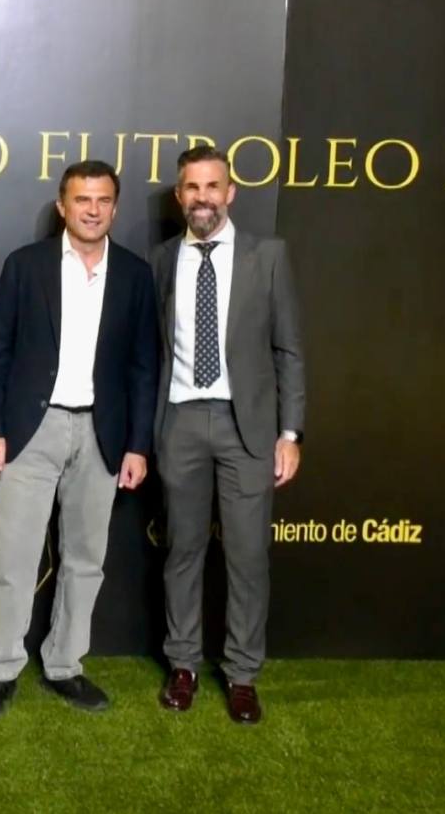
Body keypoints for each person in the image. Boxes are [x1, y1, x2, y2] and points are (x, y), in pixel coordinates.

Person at [0, 160, 159, 718]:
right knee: (13, 557)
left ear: (114, 207)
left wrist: (137, 444)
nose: (92, 210)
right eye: (82, 199)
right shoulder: (25, 266)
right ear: (62, 206)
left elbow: (144, 366)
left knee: (85, 559)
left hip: (103, 432)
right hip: (31, 429)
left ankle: (65, 665)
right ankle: (0, 669)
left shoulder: (134, 274)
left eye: (102, 200)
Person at [151, 146, 305, 724]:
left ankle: (242, 674)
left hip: (249, 427)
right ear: (179, 196)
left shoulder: (269, 256)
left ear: (230, 193)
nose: (203, 198)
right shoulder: (161, 259)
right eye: (192, 188)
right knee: (183, 551)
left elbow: (289, 350)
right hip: (181, 421)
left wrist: (290, 433)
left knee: (247, 556)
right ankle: (183, 664)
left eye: (212, 186)